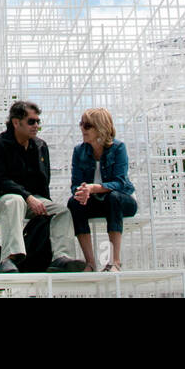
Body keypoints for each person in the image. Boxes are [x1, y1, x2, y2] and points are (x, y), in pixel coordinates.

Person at [0, 100, 86, 272]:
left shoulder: (40, 146)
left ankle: (61, 257)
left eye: (38, 121)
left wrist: (43, 205)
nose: (36, 126)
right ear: (16, 122)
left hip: (33, 200)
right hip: (4, 200)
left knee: (61, 211)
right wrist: (28, 196)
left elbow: (43, 183)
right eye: (31, 121)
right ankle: (9, 259)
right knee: (15, 201)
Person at [67, 108, 137, 271]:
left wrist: (93, 188)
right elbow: (75, 183)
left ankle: (115, 261)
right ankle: (90, 263)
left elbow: (120, 183)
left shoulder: (118, 148)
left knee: (114, 198)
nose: (82, 129)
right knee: (74, 202)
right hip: (94, 202)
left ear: (100, 127)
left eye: (87, 125)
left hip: (120, 201)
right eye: (81, 124)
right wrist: (82, 192)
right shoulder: (79, 151)